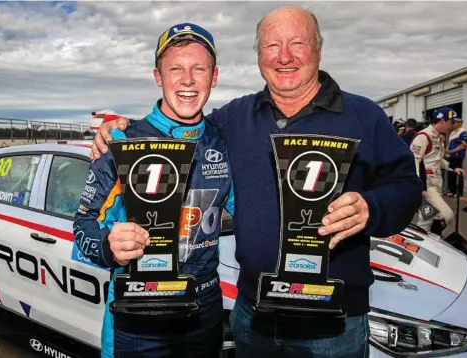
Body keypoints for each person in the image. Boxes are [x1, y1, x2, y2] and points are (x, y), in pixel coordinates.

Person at [91, 5, 422, 357]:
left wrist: (372, 208)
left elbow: (406, 186)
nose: (284, 57)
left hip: (333, 326)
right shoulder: (234, 119)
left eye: (297, 43)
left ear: (318, 50)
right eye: (271, 46)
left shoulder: (363, 115)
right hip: (254, 317)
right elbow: (182, 125)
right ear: (258, 56)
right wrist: (121, 128)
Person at [73, 23, 235, 358]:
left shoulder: (225, 142)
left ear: (214, 76)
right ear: (158, 77)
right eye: (175, 68)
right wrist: (109, 246)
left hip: (204, 310)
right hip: (138, 315)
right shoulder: (120, 140)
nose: (187, 79)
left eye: (198, 68)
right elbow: (82, 226)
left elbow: (253, 212)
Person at [410, 107, 465, 234]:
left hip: (435, 183)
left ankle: (424, 246)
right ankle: (435, 237)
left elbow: (437, 160)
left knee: (426, 220)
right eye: (451, 122)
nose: (453, 126)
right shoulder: (423, 136)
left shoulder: (439, 137)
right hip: (426, 186)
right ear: (441, 120)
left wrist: (453, 167)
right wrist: (418, 185)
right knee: (446, 215)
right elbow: (414, 161)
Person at [446, 116, 467, 197]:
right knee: (450, 172)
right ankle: (451, 190)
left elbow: (464, 145)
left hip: (457, 156)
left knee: (458, 173)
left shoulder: (463, 132)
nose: (453, 124)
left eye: (454, 122)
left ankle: (459, 192)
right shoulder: (453, 132)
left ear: (460, 123)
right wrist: (447, 150)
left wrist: (452, 151)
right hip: (451, 156)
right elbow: (449, 143)